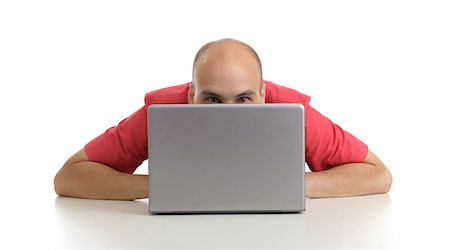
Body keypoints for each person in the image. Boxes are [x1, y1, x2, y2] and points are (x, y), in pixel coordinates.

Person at [54, 38, 392, 200]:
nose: (230, 112)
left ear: (263, 93)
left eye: (244, 98)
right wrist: (167, 188)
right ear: (191, 94)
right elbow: (68, 177)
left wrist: (283, 186)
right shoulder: (162, 110)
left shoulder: (292, 111)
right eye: (212, 99)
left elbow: (378, 175)